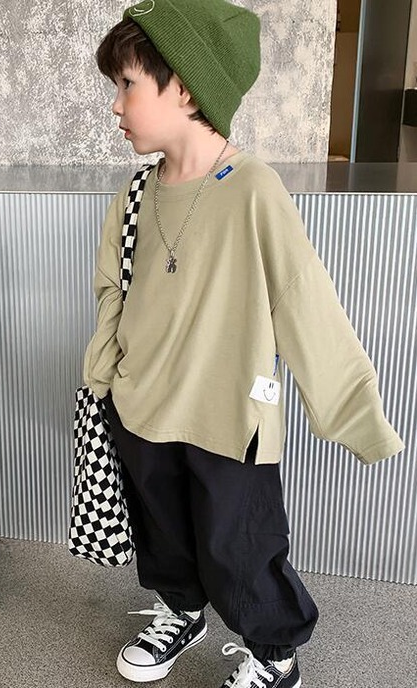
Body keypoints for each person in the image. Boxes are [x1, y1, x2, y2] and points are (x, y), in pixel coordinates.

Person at [82, 1, 405, 687]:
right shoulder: (136, 194)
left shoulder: (253, 189)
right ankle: (180, 610)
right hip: (142, 406)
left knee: (241, 546)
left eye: (127, 85)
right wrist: (103, 379)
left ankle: (275, 652)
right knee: (163, 531)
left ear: (185, 88)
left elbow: (305, 302)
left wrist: (354, 413)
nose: (116, 105)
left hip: (228, 416)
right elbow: (113, 290)